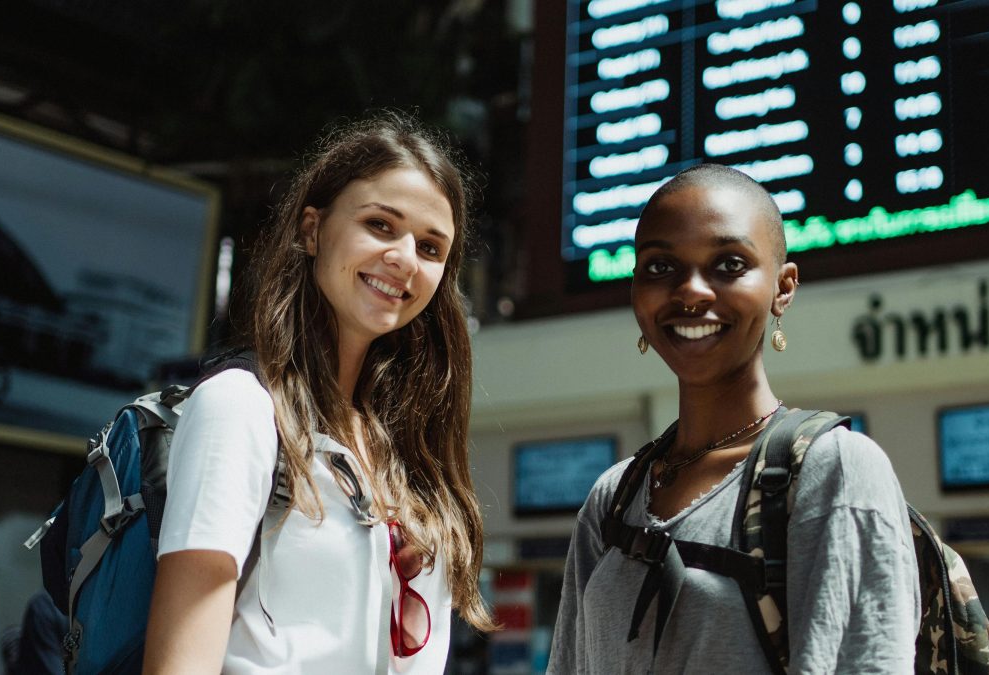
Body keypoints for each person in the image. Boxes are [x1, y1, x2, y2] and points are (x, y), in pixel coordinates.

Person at [143, 111, 495, 674]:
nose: (405, 257)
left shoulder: (410, 456)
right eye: (380, 225)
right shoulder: (240, 407)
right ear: (312, 230)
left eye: (431, 248)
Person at [548, 164, 920, 673]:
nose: (692, 292)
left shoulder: (833, 470)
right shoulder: (614, 497)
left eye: (729, 264)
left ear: (782, 288)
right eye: (660, 267)